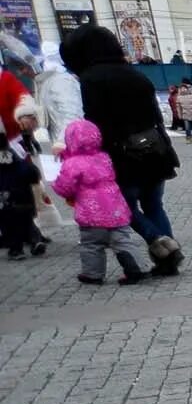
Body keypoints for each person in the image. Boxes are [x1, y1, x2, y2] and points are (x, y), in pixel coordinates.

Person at [61, 25, 183, 275]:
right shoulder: (135, 74)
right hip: (155, 150)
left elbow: (94, 124)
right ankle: (168, 258)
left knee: (125, 208)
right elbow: (155, 116)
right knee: (154, 206)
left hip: (122, 155)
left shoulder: (91, 79)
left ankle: (163, 246)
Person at [50, 120, 152, 285]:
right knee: (122, 240)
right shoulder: (103, 157)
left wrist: (55, 184)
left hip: (92, 212)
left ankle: (93, 274)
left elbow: (65, 187)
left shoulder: (72, 163)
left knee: (91, 245)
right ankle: (138, 268)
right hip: (115, 207)